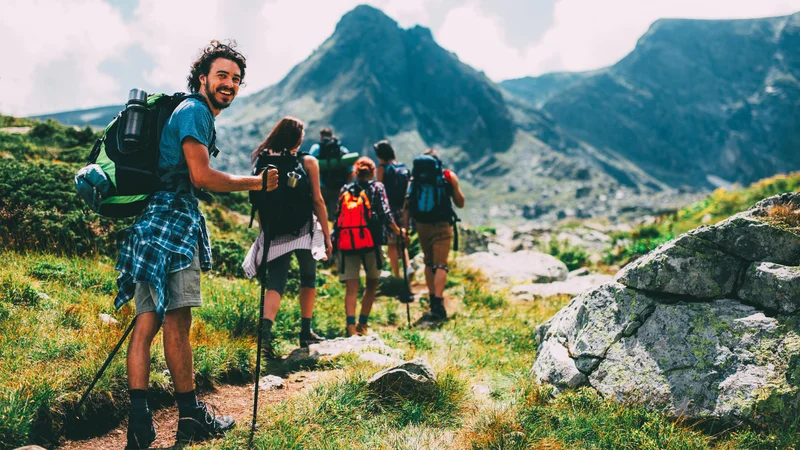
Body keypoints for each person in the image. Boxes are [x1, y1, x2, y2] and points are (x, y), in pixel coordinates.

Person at [114, 40, 278, 448]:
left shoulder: (186, 112)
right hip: (174, 225)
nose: (229, 84)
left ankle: (139, 424)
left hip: (151, 224)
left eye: (236, 79)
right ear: (202, 77)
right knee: (177, 325)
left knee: (146, 323)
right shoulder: (195, 112)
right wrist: (257, 182)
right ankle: (189, 418)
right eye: (222, 75)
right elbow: (202, 177)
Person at [243, 116, 333, 361]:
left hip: (276, 231)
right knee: (308, 278)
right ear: (299, 138)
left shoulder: (263, 160)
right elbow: (318, 200)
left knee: (276, 282)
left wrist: (266, 232)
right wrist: (326, 234)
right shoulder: (308, 162)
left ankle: (265, 335)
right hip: (304, 229)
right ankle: (306, 332)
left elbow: (259, 200)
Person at [333, 157, 402, 337]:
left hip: (348, 243)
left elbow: (337, 216)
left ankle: (350, 326)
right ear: (372, 172)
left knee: (351, 287)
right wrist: (397, 231)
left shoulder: (345, 189)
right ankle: (362, 325)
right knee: (371, 284)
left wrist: (334, 243)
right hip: (372, 242)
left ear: (355, 172)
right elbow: (385, 213)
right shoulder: (377, 188)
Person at [404, 148, 465, 321]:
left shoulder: (415, 179)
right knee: (441, 265)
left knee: (429, 262)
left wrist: (404, 229)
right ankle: (438, 303)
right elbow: (460, 203)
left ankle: (432, 300)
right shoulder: (446, 176)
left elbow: (407, 204)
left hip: (422, 225)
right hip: (442, 225)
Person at [373, 140, 411, 278]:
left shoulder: (382, 168)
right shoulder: (402, 167)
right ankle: (408, 268)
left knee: (392, 245)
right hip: (403, 209)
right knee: (402, 240)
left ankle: (396, 276)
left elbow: (379, 188)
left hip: (389, 209)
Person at [309, 127, 352, 216]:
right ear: (332, 136)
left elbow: (309, 166)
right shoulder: (341, 148)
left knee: (318, 214)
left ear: (321, 136)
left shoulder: (316, 148)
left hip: (321, 187)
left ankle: (321, 230)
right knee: (336, 215)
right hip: (338, 187)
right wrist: (346, 185)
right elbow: (351, 170)